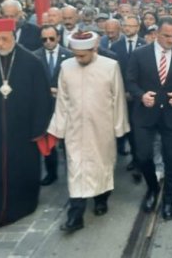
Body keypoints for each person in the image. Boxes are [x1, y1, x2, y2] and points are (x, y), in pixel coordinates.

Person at [0, 18, 52, 234]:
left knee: (20, 170)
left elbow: (43, 99)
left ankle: (19, 207)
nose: (1, 44)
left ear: (14, 37)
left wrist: (38, 130)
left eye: (5, 39)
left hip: (22, 132)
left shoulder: (31, 62)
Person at [48, 31, 129, 233]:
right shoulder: (66, 67)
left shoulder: (110, 67)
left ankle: (101, 199)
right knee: (75, 170)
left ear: (94, 49)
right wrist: (58, 128)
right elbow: (63, 100)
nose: (79, 59)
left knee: (102, 166)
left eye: (83, 55)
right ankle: (75, 215)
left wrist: (119, 128)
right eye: (76, 55)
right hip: (75, 129)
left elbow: (118, 98)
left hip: (102, 128)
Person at [125, 17, 172, 221]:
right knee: (143, 156)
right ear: (156, 34)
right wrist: (141, 95)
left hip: (171, 116)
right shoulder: (139, 54)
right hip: (145, 115)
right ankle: (153, 189)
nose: (171, 40)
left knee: (171, 159)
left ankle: (169, 200)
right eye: (167, 36)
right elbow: (130, 81)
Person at [33, 25, 73, 186]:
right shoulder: (34, 57)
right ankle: (51, 173)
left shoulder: (69, 56)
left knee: (68, 142)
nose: (48, 42)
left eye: (51, 38)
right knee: (47, 143)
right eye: (44, 39)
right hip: (44, 107)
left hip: (65, 106)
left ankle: (72, 172)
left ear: (58, 37)